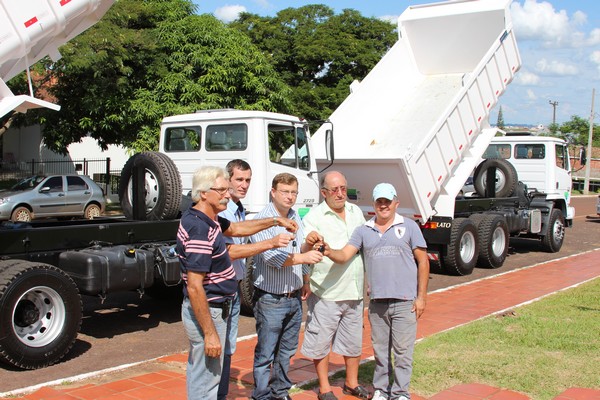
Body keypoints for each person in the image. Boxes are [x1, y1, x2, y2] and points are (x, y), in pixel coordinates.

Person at [177, 166, 298, 400]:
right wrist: (210, 333)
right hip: (211, 310)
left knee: (206, 373)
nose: (227, 194)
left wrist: (274, 220)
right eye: (221, 190)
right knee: (206, 379)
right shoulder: (199, 228)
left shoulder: (208, 219)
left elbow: (237, 228)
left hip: (221, 306)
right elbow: (194, 285)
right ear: (203, 193)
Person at [324, 183, 430, 400]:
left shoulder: (409, 227)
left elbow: (423, 261)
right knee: (380, 352)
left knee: (403, 353)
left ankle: (401, 393)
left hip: (405, 302)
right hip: (377, 304)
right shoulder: (364, 230)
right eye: (379, 201)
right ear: (374, 204)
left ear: (396, 203)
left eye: (387, 201)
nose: (384, 206)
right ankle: (381, 390)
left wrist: (421, 298)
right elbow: (345, 255)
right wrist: (326, 250)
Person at [218, 160, 298, 400]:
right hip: (223, 290)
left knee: (228, 348)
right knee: (220, 350)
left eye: (248, 180)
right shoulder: (225, 211)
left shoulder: (238, 208)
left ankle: (275, 393)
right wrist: (271, 242)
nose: (244, 185)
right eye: (238, 180)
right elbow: (231, 250)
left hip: (234, 287)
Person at [250, 172, 324, 400]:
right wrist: (306, 258)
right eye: (285, 191)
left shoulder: (294, 216)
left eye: (293, 192)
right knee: (266, 352)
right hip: (271, 298)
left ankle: (280, 392)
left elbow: (297, 249)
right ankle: (262, 395)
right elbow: (272, 259)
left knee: (287, 351)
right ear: (273, 192)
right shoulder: (262, 219)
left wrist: (305, 272)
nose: (290, 197)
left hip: (292, 296)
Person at [301, 171, 368, 400]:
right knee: (321, 341)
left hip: (354, 289)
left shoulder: (355, 212)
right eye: (335, 190)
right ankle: (325, 388)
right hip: (326, 291)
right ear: (324, 193)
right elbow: (304, 246)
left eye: (343, 189)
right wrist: (310, 239)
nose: (340, 194)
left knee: (353, 341)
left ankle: (351, 383)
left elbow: (364, 247)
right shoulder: (314, 216)